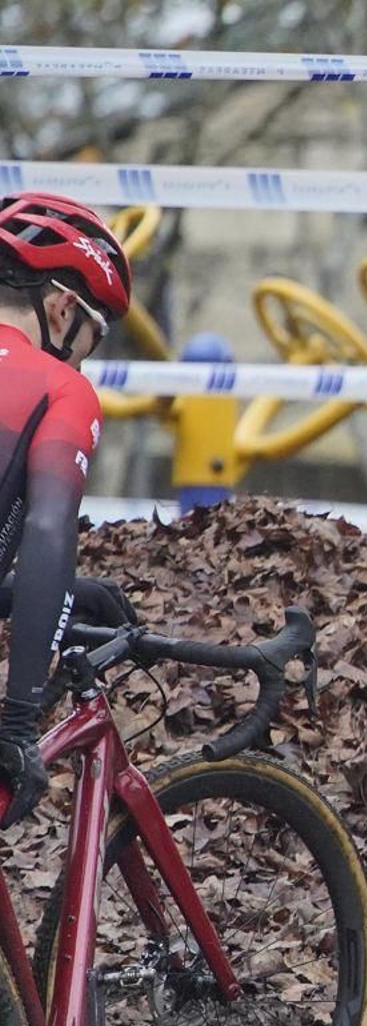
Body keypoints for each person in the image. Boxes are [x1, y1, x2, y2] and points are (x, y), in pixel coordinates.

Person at [0, 192, 137, 829]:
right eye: (94, 335)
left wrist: (63, 594)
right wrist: (18, 723)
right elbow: (47, 530)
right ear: (61, 307)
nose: (86, 357)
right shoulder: (60, 387)